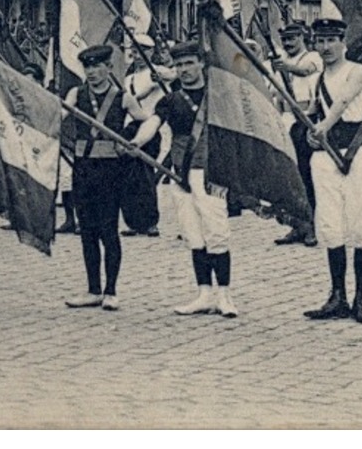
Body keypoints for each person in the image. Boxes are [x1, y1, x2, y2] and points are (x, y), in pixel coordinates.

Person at [63, 42, 160, 310]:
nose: (92, 71)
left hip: (110, 172)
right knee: (87, 232)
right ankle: (93, 289)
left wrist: (133, 141)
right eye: (88, 67)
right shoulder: (76, 94)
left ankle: (111, 291)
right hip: (83, 170)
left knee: (108, 230)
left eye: (97, 66)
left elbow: (148, 121)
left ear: (108, 67)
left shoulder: (123, 98)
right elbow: (59, 113)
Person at [301, 18, 362, 325]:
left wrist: (322, 125)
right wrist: (308, 128)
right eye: (320, 41)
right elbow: (310, 112)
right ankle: (338, 296)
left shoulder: (357, 71)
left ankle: (361, 300)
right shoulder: (316, 79)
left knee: (359, 225)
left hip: (355, 153)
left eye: (331, 40)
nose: (325, 47)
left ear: (343, 42)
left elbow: (343, 101)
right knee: (330, 225)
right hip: (324, 157)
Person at [157, 39, 237, 319]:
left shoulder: (219, 96)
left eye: (189, 63)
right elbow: (151, 125)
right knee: (194, 235)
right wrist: (134, 142)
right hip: (179, 173)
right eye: (178, 65)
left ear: (201, 63)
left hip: (211, 171)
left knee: (217, 233)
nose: (184, 69)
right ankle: (204, 293)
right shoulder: (170, 100)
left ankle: (225, 295)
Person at [270, 22, 321, 246]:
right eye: (285, 40)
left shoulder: (312, 57)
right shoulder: (282, 62)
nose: (288, 43)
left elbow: (306, 71)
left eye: (293, 38)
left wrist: (285, 67)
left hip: (307, 121)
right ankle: (296, 225)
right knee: (290, 178)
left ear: (302, 37)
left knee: (307, 177)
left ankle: (312, 226)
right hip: (288, 121)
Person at [119, 33, 168, 238]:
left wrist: (158, 80)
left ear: (149, 52)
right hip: (132, 127)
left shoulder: (157, 71)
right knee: (129, 177)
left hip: (153, 127)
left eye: (141, 51)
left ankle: (150, 222)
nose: (137, 55)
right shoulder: (128, 78)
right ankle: (132, 221)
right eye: (133, 51)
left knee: (146, 176)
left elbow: (173, 74)